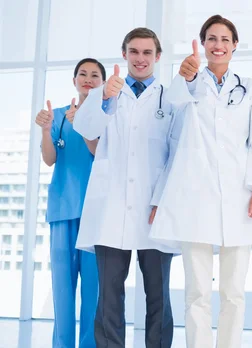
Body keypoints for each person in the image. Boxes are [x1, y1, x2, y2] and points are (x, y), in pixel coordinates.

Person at [149, 14, 252, 348]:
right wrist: (185, 78)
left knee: (233, 292)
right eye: (212, 39)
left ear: (234, 46)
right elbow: (172, 108)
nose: (218, 45)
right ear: (203, 45)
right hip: (195, 197)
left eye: (224, 39)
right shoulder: (187, 83)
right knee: (197, 291)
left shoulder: (250, 88)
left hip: (239, 197)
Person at [73, 28, 178, 347]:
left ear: (158, 57)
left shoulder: (170, 98)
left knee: (159, 296)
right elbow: (85, 128)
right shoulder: (105, 92)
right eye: (134, 51)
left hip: (153, 208)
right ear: (124, 55)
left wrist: (163, 199)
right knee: (109, 297)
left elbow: (176, 153)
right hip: (112, 207)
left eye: (147, 53)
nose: (141, 58)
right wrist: (103, 99)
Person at [35, 57, 105, 348]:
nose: (88, 79)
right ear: (74, 80)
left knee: (94, 292)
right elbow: (50, 159)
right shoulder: (59, 116)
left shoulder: (107, 115)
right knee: (62, 291)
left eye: (94, 75)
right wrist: (45, 129)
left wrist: (85, 124)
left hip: (96, 213)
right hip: (63, 210)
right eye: (82, 74)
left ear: (102, 82)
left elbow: (100, 153)